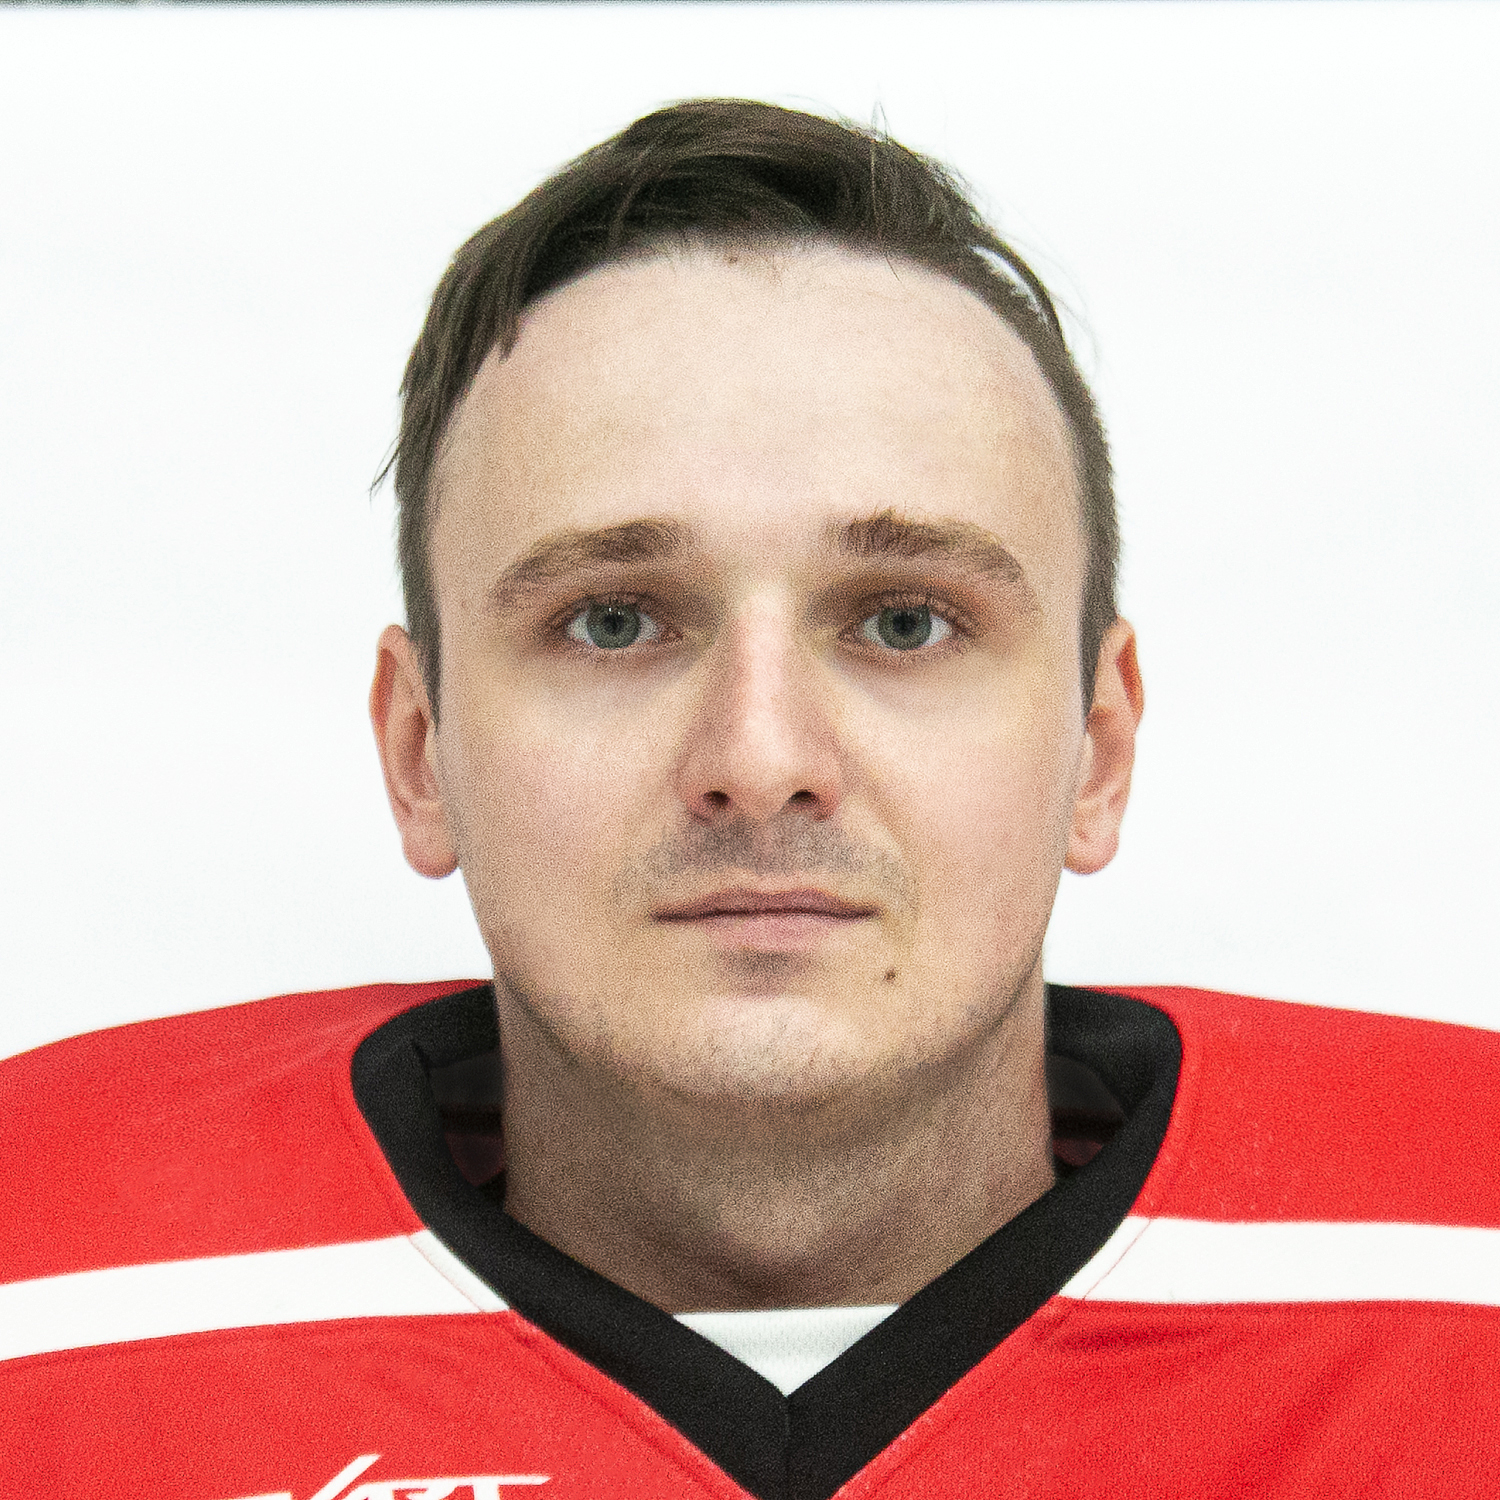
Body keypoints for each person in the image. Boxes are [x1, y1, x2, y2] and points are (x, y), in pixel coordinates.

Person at [2, 99, 1496, 1500]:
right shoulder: (47, 1320)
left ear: (1097, 749)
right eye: (612, 622)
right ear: (418, 750)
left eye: (905, 620)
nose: (762, 754)